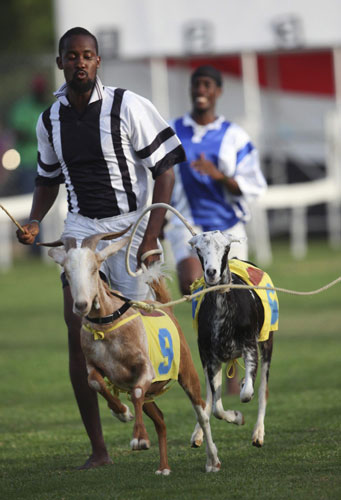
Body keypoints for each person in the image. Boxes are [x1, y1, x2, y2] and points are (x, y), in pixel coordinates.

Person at [16, 27, 185, 469]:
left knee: (149, 336)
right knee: (76, 333)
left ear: (98, 61)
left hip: (129, 230)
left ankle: (164, 424)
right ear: (60, 63)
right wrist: (34, 221)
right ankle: (99, 450)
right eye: (72, 56)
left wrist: (150, 237)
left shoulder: (126, 105)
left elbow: (165, 169)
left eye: (88, 55)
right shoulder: (49, 118)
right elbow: (46, 179)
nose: (80, 63)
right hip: (80, 232)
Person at [164, 65, 267, 393]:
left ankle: (235, 372)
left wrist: (218, 175)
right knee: (193, 285)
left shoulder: (235, 136)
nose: (200, 90)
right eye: (196, 84)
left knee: (237, 301)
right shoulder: (172, 131)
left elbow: (253, 185)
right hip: (187, 224)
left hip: (228, 229)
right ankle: (206, 368)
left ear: (218, 90)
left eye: (207, 84)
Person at [8, 75, 49, 194]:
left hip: (49, 162)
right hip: (28, 162)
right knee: (30, 196)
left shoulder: (50, 106)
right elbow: (18, 132)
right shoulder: (22, 107)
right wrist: (38, 134)